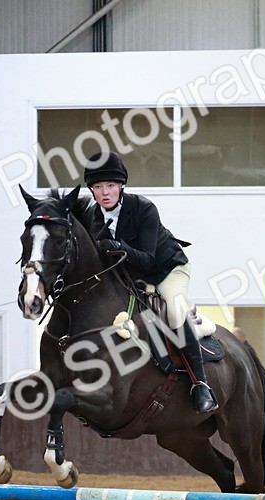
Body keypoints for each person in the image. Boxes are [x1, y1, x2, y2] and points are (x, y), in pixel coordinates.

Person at [83, 151, 218, 414]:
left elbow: (146, 259)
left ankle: (200, 384)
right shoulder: (92, 217)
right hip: (131, 276)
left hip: (167, 270)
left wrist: (118, 246)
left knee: (175, 310)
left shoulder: (143, 208)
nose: (105, 192)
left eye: (110, 185)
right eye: (98, 187)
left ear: (121, 185)